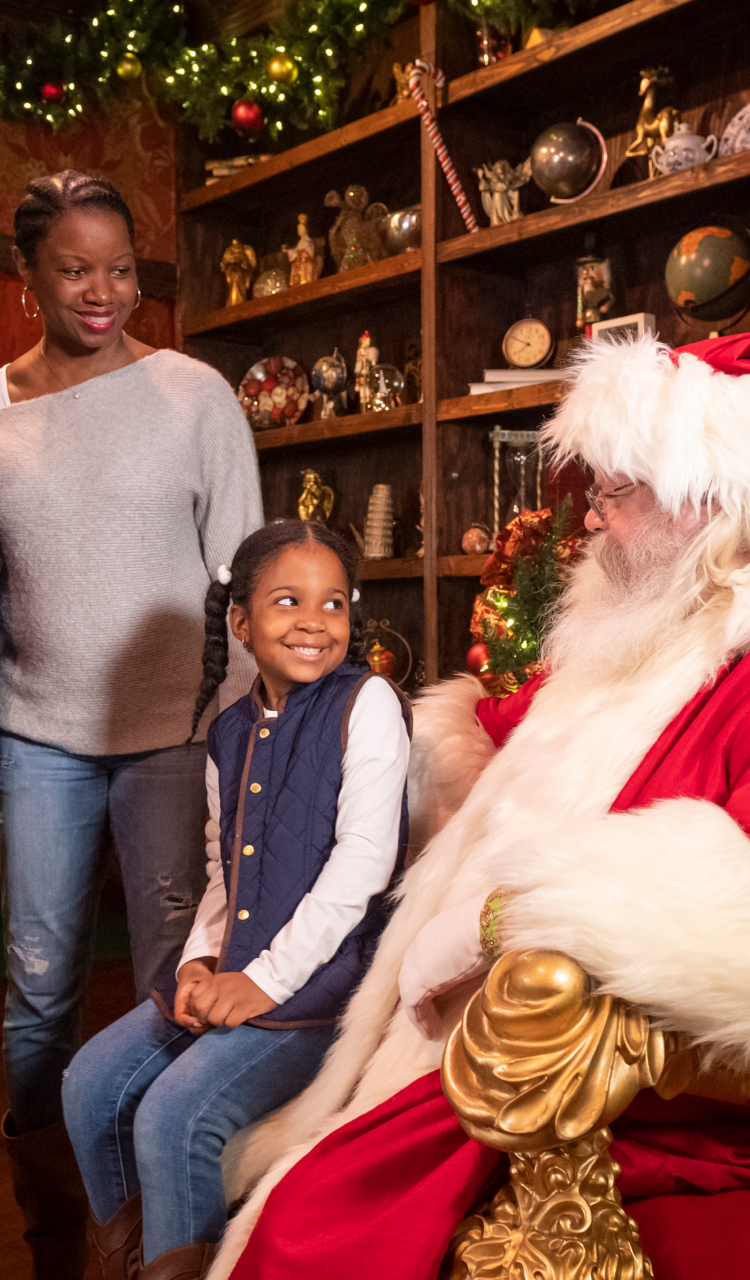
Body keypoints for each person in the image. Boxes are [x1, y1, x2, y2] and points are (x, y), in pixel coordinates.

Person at [206, 333, 750, 1280]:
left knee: (317, 1226)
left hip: (607, 1074)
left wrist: (500, 915)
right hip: (486, 1028)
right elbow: (523, 725)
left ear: (706, 503)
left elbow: (722, 913)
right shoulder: (650, 629)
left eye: (615, 497)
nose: (592, 522)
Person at [0, 169, 262, 1280]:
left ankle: (156, 1203)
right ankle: (45, 1209)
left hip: (176, 729)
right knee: (39, 981)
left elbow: (247, 567)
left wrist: (245, 726)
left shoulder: (195, 394)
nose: (103, 292)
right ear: (26, 279)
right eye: (74, 270)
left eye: (121, 270)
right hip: (35, 733)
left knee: (173, 970)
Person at [62, 518, 412, 1280]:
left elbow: (363, 865)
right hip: (238, 971)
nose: (315, 622)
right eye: (288, 602)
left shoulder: (369, 704)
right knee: (90, 1085)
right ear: (242, 623)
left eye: (335, 604)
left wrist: (260, 982)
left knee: (174, 1116)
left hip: (327, 991)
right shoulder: (228, 732)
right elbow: (225, 873)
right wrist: (200, 963)